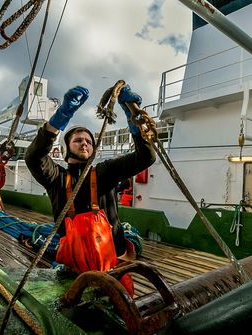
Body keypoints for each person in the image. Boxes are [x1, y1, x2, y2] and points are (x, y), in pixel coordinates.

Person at [24, 85, 155, 296]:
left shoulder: (106, 172)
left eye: (88, 141)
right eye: (78, 140)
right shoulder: (56, 178)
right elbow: (33, 157)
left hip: (114, 263)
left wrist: (132, 113)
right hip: (73, 269)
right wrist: (60, 117)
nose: (84, 143)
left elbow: (146, 157)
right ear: (67, 150)